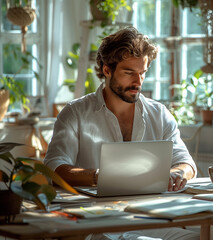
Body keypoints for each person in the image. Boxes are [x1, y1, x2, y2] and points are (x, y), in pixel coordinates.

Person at [44, 26, 197, 192]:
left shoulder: (159, 114)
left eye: (142, 73)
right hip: (94, 212)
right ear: (107, 70)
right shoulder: (75, 113)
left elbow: (187, 163)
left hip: (149, 208)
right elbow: (54, 168)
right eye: (129, 72)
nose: (138, 82)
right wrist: (99, 176)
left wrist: (176, 173)